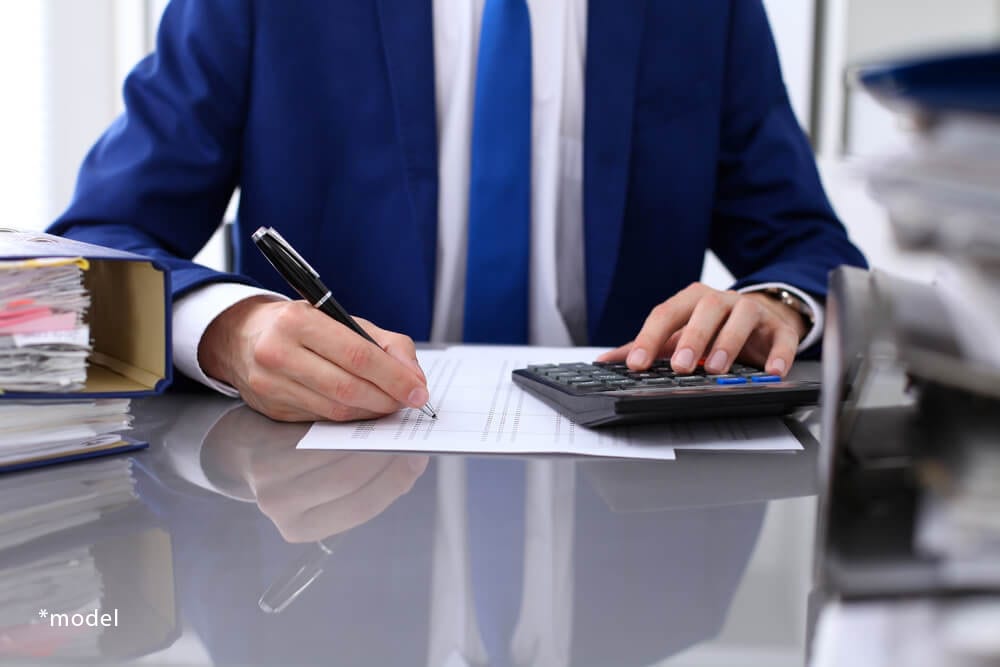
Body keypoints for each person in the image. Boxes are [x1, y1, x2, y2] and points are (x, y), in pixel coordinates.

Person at [50, 0, 867, 423]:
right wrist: (229, 332)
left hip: (633, 504)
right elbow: (92, 251)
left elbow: (807, 245)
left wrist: (774, 304)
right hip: (306, 509)